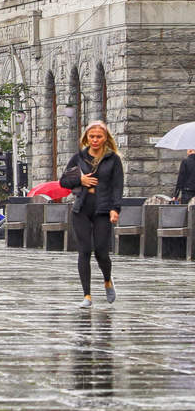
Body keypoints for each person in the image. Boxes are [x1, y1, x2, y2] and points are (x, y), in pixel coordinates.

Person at [59, 120, 123, 308]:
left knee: (102, 252)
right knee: (84, 250)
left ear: (105, 138)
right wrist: (80, 179)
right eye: (92, 136)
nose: (95, 140)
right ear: (86, 138)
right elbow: (63, 181)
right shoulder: (79, 157)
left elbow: (118, 186)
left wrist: (115, 208)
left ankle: (107, 281)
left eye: (99, 137)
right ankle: (87, 295)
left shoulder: (113, 159)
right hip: (81, 208)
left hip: (103, 210)